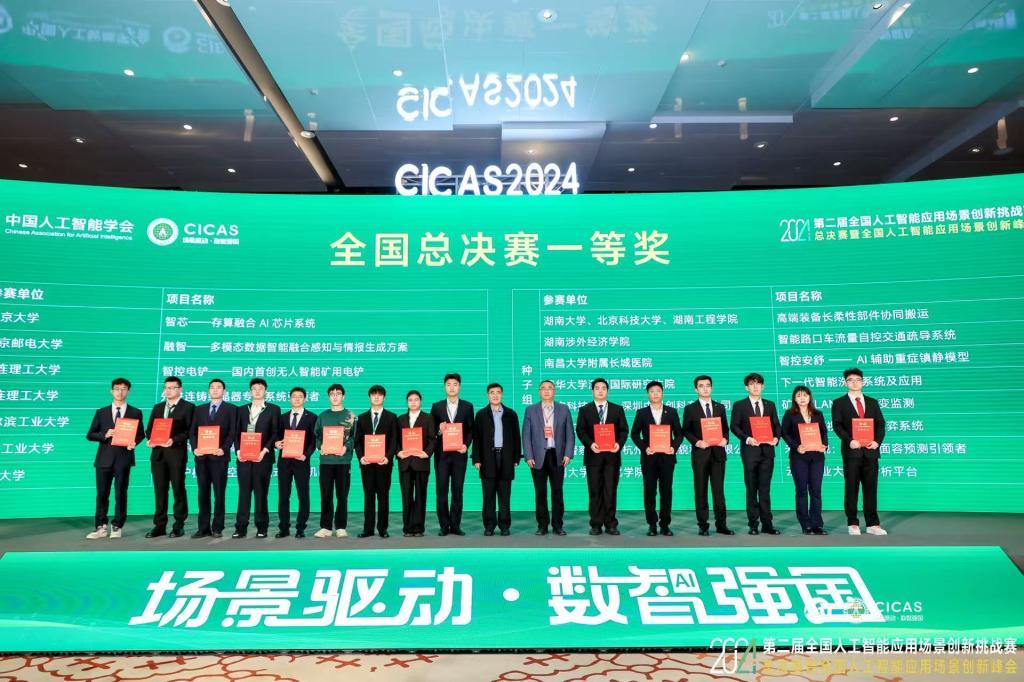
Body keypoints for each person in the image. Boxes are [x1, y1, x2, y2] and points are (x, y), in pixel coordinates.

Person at [85, 377, 145, 539]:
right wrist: (105, 434)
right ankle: (100, 526)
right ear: (111, 391)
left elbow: (140, 434)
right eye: (117, 389)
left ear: (128, 391)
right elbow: (90, 434)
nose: (120, 392)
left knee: (121, 493)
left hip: (123, 458)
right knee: (102, 494)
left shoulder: (135, 412)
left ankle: (117, 525)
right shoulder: (101, 412)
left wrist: (134, 442)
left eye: (123, 389)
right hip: (104, 459)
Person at [831, 367, 887, 536]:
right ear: (845, 382)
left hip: (870, 452)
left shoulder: (872, 402)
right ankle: (853, 522)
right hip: (852, 452)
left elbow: (880, 424)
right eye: (850, 380)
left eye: (858, 380)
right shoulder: (839, 403)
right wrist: (849, 441)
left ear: (863, 382)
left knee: (871, 488)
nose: (854, 383)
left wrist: (877, 442)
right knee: (851, 487)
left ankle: (872, 523)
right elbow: (837, 425)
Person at [728, 372, 782, 536]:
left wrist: (776, 438)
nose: (755, 386)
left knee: (765, 489)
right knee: (751, 489)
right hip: (750, 452)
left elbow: (776, 425)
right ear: (747, 387)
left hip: (767, 452)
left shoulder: (770, 404)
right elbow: (734, 426)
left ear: (763, 386)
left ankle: (767, 524)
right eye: (752, 384)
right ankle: (753, 524)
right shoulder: (740, 405)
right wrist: (747, 438)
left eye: (758, 383)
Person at [575, 378, 628, 536]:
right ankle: (596, 524)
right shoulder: (585, 409)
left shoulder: (617, 409)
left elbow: (624, 430)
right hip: (593, 457)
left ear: (607, 391)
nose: (600, 390)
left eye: (603, 388)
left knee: (610, 491)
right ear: (592, 391)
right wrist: (590, 444)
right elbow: (580, 430)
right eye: (597, 388)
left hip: (612, 457)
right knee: (594, 491)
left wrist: (618, 444)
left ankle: (611, 524)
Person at [630, 380, 683, 536]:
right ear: (648, 394)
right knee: (649, 491)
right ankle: (652, 524)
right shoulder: (642, 413)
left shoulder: (671, 412)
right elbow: (634, 434)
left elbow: (679, 434)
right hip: (649, 458)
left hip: (667, 458)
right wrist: (644, 448)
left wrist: (674, 447)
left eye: (658, 391)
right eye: (652, 391)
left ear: (662, 393)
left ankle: (665, 524)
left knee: (666, 491)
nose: (655, 394)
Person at [681, 374, 733, 536]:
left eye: (708, 385)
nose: (705, 389)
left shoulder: (720, 407)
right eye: (701, 386)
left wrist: (725, 439)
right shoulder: (690, 408)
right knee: (701, 490)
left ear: (712, 388)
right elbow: (686, 430)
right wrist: (697, 442)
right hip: (700, 454)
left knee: (719, 491)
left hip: (718, 454)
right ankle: (703, 525)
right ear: (696, 389)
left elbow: (725, 428)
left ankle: (721, 524)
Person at [144, 376, 195, 539]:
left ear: (180, 389)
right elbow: (149, 429)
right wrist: (150, 439)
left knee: (178, 489)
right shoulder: (158, 407)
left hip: (176, 454)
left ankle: (179, 525)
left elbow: (190, 431)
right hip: (158, 455)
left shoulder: (188, 407)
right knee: (160, 490)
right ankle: (159, 525)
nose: (169, 391)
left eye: (172, 388)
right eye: (166, 388)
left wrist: (173, 439)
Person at [522, 380, 574, 536]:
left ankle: (558, 525)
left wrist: (568, 453)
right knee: (540, 492)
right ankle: (542, 525)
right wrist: (528, 455)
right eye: (543, 388)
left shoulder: (563, 409)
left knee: (557, 492)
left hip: (557, 455)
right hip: (537, 457)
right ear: (539, 392)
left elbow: (570, 434)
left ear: (554, 391)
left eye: (550, 388)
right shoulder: (530, 410)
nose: (546, 391)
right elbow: (526, 435)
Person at [472, 383, 522, 536]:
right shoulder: (481, 415)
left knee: (504, 495)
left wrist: (516, 458)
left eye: (498, 392)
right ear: (488, 395)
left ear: (502, 394)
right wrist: (476, 459)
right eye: (492, 392)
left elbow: (516, 437)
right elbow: (476, 438)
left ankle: (504, 525)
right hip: (487, 458)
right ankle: (489, 525)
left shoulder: (511, 414)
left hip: (506, 458)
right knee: (488, 495)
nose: (495, 395)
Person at [233, 378, 281, 539]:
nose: (257, 391)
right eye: (254, 388)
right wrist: (238, 451)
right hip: (244, 458)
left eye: (260, 388)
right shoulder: (241, 410)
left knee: (261, 493)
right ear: (250, 391)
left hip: (263, 458)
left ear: (265, 390)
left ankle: (262, 527)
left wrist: (265, 450)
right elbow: (236, 433)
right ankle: (241, 527)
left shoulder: (273, 409)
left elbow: (275, 433)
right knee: (243, 494)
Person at [189, 378, 237, 538]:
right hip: (201, 458)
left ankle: (217, 527)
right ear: (208, 390)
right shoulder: (199, 409)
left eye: (218, 387)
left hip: (219, 458)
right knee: (202, 493)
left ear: (224, 391)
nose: (215, 390)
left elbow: (232, 432)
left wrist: (224, 448)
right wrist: (195, 448)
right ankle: (203, 528)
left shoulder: (231, 409)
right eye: (212, 387)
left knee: (219, 493)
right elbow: (192, 432)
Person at [429, 373, 474, 536]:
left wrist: (466, 445)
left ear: (459, 387)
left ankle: (455, 525)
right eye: (449, 384)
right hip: (441, 456)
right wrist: (439, 431)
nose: (452, 387)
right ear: (444, 387)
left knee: (457, 490)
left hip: (459, 456)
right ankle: (444, 525)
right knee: (441, 491)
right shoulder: (437, 407)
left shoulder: (467, 406)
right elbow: (431, 431)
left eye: (455, 384)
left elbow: (471, 430)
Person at [780, 385, 828, 535]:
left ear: (810, 397)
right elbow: (784, 433)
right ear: (794, 398)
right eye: (799, 395)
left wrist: (824, 445)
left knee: (816, 491)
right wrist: (796, 447)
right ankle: (805, 524)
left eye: (805, 395)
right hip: (799, 457)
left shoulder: (818, 414)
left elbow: (824, 432)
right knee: (801, 490)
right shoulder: (790, 414)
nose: (802, 398)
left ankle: (817, 524)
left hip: (817, 457)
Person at [354, 385, 399, 538]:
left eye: (379, 395)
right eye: (374, 394)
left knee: (383, 496)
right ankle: (367, 529)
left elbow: (394, 440)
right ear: (369, 397)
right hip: (367, 464)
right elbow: (357, 441)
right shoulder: (362, 418)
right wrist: (361, 457)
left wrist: (388, 457)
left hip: (384, 463)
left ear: (384, 397)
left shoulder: (391, 417)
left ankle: (382, 528)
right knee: (368, 496)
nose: (376, 397)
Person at [313, 383, 356, 538]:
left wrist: (346, 447)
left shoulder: (350, 416)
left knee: (342, 495)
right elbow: (316, 436)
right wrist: (320, 446)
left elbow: (353, 437)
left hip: (343, 462)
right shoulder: (323, 416)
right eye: (332, 394)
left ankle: (341, 526)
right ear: (329, 397)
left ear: (343, 396)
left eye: (338, 394)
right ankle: (325, 527)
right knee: (326, 494)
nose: (335, 396)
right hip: (326, 462)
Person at [274, 387, 317, 538]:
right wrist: (276, 443)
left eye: (300, 396)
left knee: (303, 495)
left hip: (301, 462)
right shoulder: (283, 417)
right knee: (283, 495)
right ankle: (284, 528)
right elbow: (276, 435)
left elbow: (313, 440)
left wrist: (306, 455)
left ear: (305, 399)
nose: (297, 399)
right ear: (289, 399)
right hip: (284, 462)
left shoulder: (312, 417)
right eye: (294, 396)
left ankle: (301, 527)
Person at [397, 390, 436, 537]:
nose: (413, 402)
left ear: (420, 401)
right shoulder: (400, 419)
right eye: (410, 400)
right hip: (405, 463)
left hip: (421, 462)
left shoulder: (428, 418)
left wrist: (427, 453)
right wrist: (398, 452)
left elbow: (433, 439)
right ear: (407, 402)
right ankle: (407, 528)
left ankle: (419, 528)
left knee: (420, 496)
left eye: (416, 400)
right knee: (406, 496)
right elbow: (395, 440)